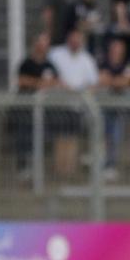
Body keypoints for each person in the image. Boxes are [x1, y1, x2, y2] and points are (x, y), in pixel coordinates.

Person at [48, 29, 99, 178]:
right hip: (58, 104)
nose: (75, 42)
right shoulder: (56, 54)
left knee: (72, 137)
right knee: (60, 137)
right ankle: (59, 168)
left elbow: (94, 82)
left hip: (77, 105)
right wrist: (63, 86)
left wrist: (81, 93)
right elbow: (49, 75)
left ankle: (69, 168)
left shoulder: (87, 58)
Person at [11, 34, 59, 179]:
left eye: (46, 44)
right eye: (41, 43)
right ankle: (23, 167)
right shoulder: (26, 63)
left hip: (43, 109)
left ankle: (38, 168)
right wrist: (39, 83)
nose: (44, 47)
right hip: (25, 109)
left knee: (43, 137)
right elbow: (21, 81)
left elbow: (56, 82)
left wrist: (40, 83)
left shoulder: (50, 65)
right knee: (24, 137)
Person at [98, 38, 130, 181]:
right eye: (113, 49)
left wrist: (112, 81)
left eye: (118, 49)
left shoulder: (128, 64)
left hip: (119, 109)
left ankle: (111, 165)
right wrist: (116, 81)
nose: (115, 52)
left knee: (115, 135)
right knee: (103, 136)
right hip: (103, 107)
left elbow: (126, 81)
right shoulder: (103, 62)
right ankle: (102, 164)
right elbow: (101, 79)